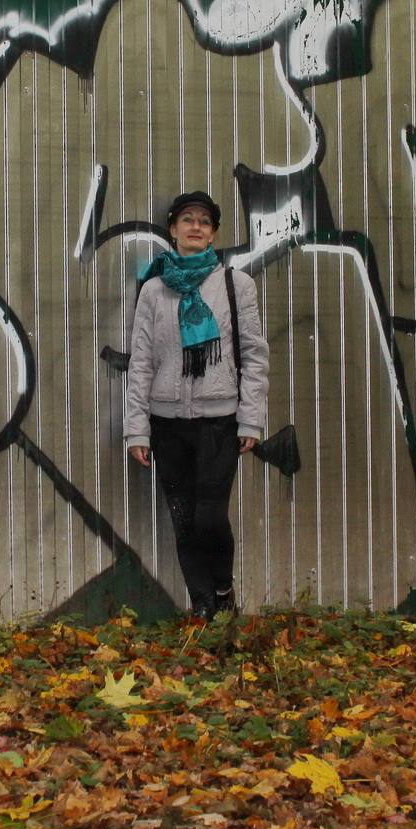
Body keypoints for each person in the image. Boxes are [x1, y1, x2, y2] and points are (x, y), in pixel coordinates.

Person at [124, 191, 269, 619]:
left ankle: (222, 590)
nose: (196, 227)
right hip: (167, 424)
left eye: (204, 221)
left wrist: (250, 420)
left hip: (219, 423)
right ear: (172, 229)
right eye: (187, 219)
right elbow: (141, 361)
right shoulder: (154, 289)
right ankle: (203, 607)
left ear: (213, 234)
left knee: (209, 517)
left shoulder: (236, 285)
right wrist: (137, 429)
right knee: (183, 520)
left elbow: (254, 355)